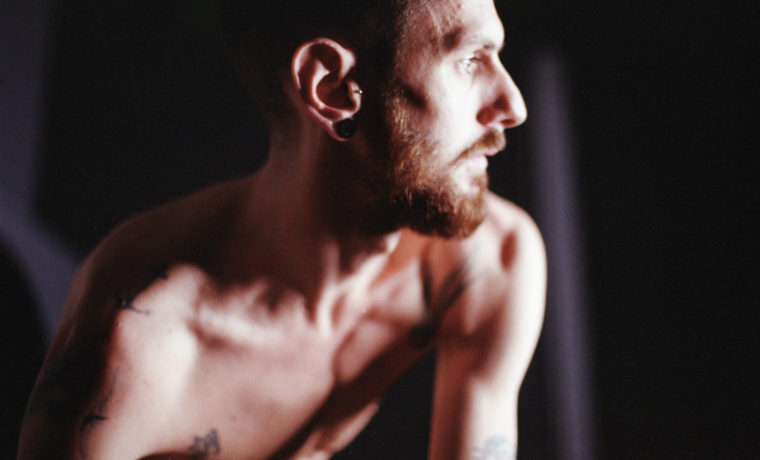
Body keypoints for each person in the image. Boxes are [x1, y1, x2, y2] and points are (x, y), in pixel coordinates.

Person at [17, 0, 545, 458]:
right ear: (331, 87)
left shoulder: (489, 263)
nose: (514, 105)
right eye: (469, 60)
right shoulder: (138, 353)